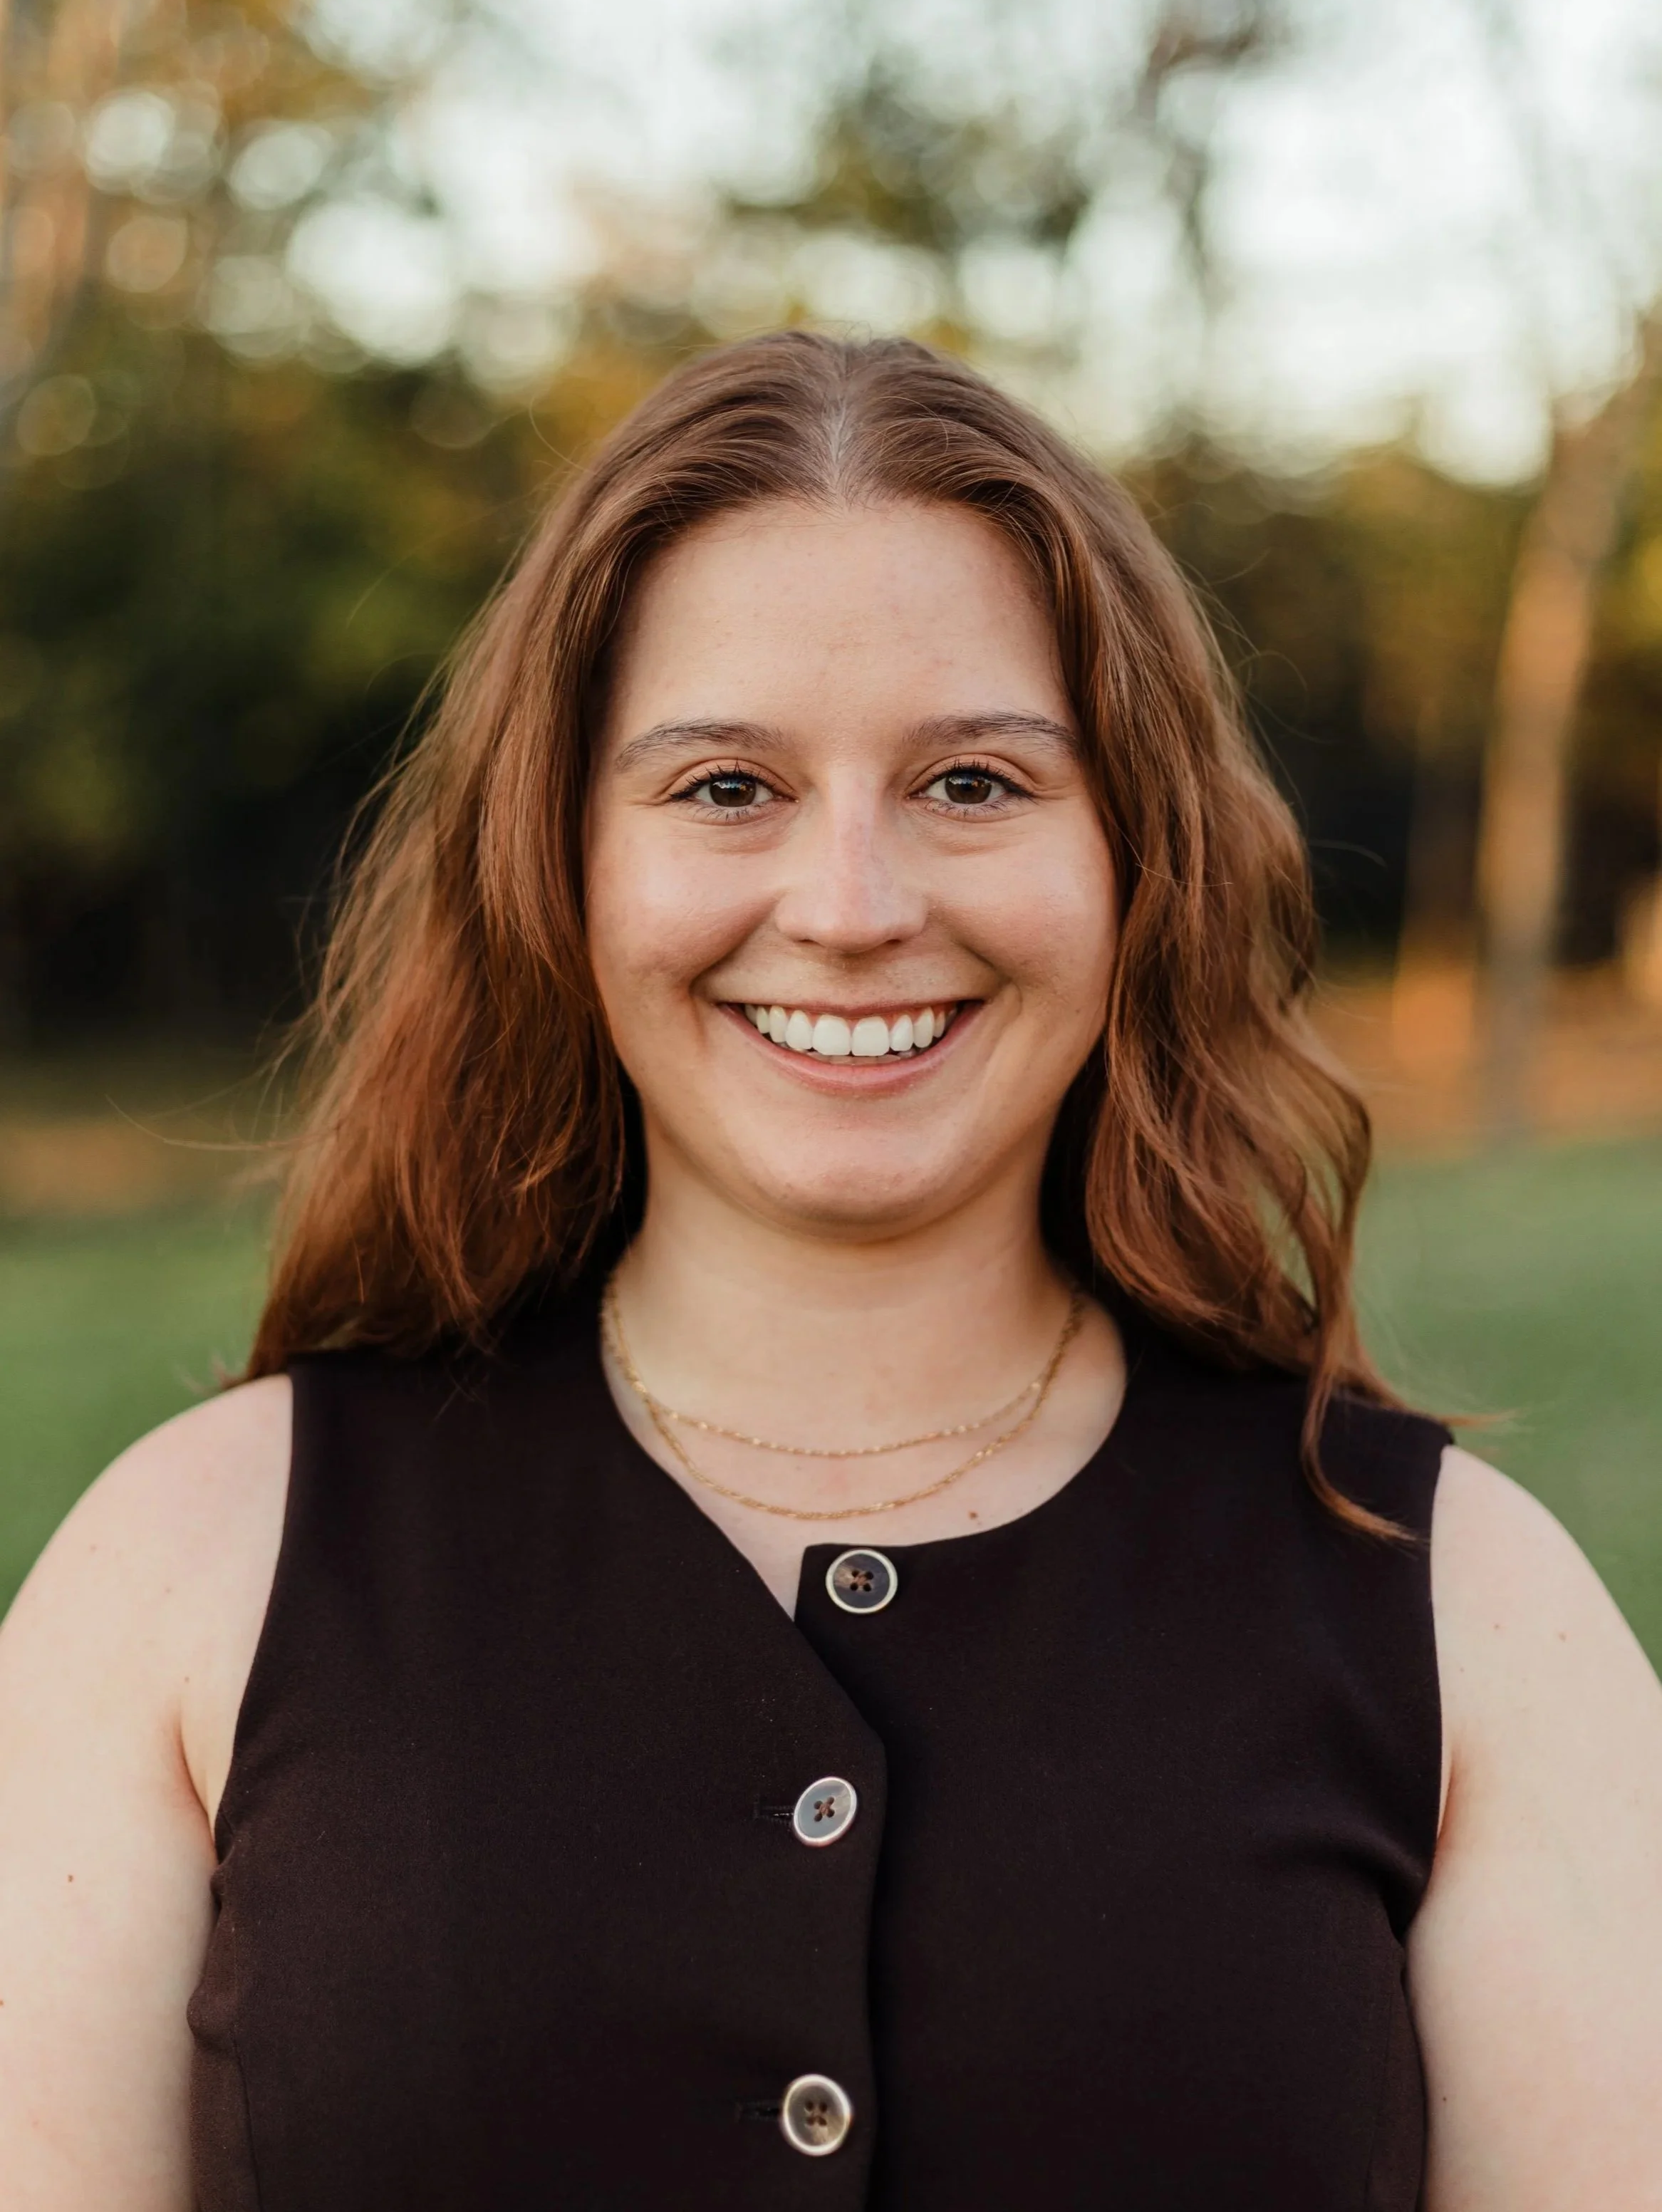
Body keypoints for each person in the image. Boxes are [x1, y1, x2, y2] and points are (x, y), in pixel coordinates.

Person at [1, 331, 1659, 2211]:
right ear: (559, 860)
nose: (854, 906)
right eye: (724, 788)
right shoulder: (186, 1572)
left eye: (970, 781)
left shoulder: (1467, 1614)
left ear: (1134, 861)